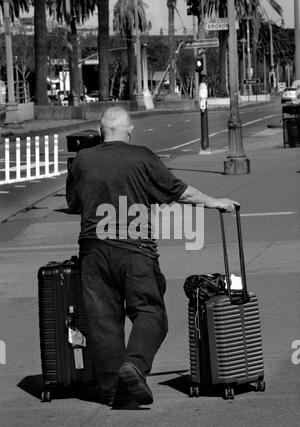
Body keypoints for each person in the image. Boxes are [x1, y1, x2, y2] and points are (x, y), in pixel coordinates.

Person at [67, 106, 239, 408]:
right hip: (135, 251)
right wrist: (217, 203)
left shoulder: (82, 160)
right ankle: (134, 365)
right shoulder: (143, 157)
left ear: (99, 130)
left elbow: (74, 202)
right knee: (150, 314)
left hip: (93, 250)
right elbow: (181, 192)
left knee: (103, 322)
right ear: (130, 131)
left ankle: (113, 392)